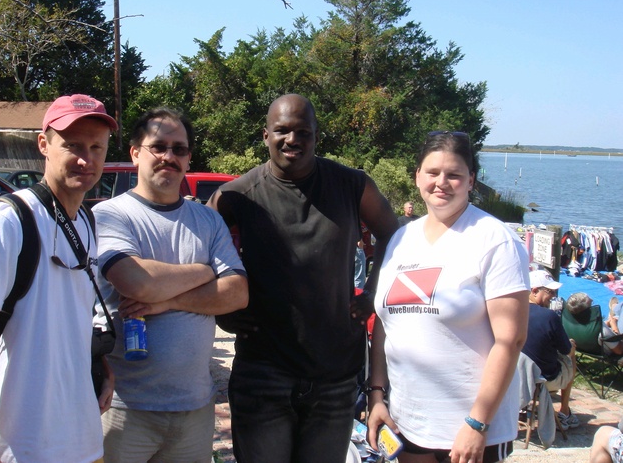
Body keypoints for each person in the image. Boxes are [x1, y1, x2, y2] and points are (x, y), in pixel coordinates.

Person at [208, 93, 399, 463]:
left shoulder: (352, 185)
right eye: (282, 130)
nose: (292, 140)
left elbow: (394, 234)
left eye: (303, 132)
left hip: (337, 375)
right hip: (264, 374)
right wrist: (222, 312)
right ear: (265, 135)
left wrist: (373, 292)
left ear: (315, 136)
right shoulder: (235, 196)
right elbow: (199, 256)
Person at [0, 94, 117, 463]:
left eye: (97, 147)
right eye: (73, 145)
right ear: (43, 144)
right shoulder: (7, 221)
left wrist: (101, 367)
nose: (86, 158)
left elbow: (73, 316)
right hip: (22, 446)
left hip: (83, 439)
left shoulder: (86, 222)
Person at [93, 107, 247, 463]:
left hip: (195, 408)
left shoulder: (207, 220)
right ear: (135, 153)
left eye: (179, 149)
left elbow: (238, 293)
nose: (169, 156)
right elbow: (137, 283)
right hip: (123, 407)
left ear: (189, 158)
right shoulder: (110, 214)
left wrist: (169, 302)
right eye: (158, 146)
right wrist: (206, 270)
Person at [368, 130, 530, 463]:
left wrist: (477, 422)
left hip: (469, 429)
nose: (442, 182)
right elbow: (386, 323)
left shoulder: (494, 239)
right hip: (408, 422)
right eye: (433, 172)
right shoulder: (401, 238)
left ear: (471, 180)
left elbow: (510, 340)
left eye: (454, 174)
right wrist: (377, 395)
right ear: (417, 177)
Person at [522, 270, 579, 430]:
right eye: (550, 292)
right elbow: (567, 351)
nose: (554, 296)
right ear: (534, 291)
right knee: (571, 355)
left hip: (516, 378)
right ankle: (565, 411)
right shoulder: (549, 317)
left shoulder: (514, 311)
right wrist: (571, 346)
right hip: (543, 380)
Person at [567, 292, 623, 357]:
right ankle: (615, 310)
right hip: (612, 348)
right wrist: (613, 325)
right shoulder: (601, 329)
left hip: (583, 347)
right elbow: (619, 350)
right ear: (588, 310)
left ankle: (615, 310)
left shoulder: (568, 322)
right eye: (591, 303)